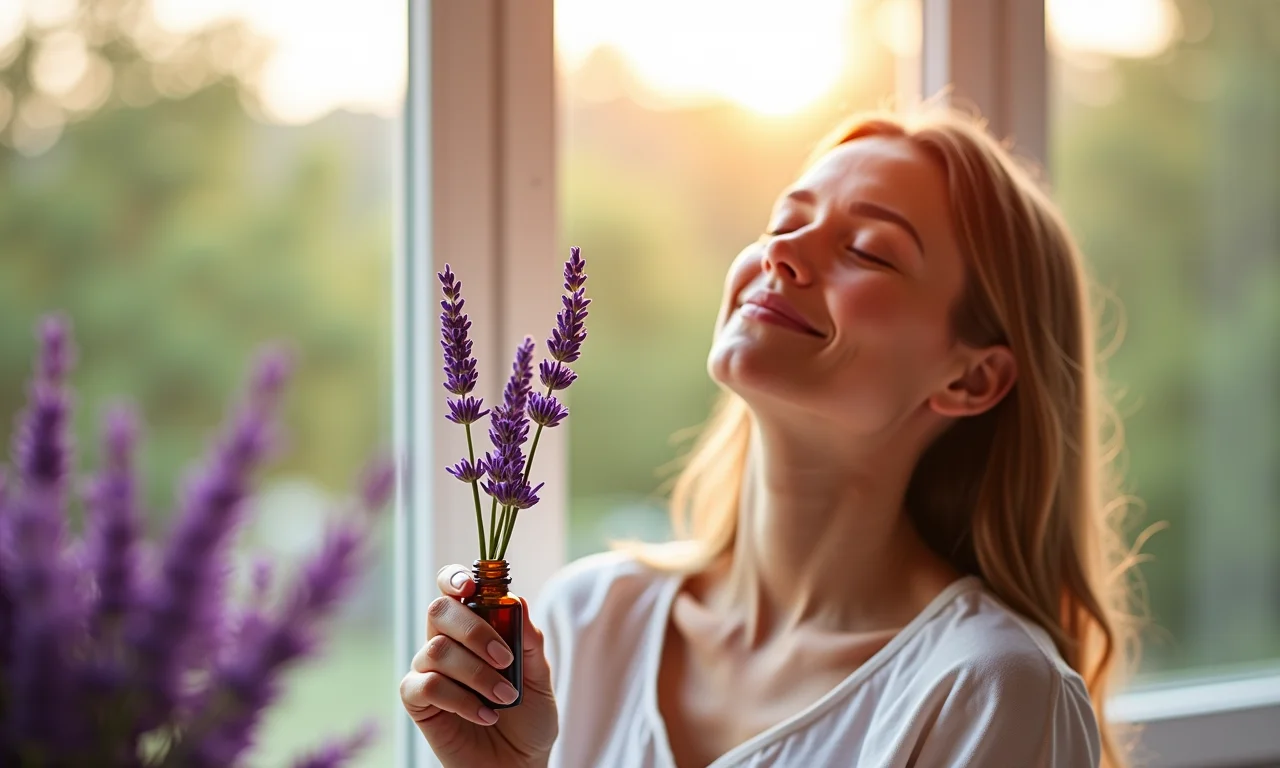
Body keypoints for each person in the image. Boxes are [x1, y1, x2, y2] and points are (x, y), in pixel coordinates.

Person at [400, 107, 1144, 768]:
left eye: (870, 250)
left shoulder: (987, 694)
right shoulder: (588, 624)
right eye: (783, 223)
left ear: (971, 380)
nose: (781, 256)